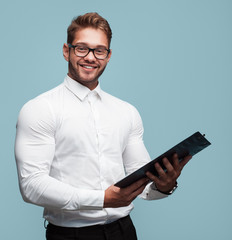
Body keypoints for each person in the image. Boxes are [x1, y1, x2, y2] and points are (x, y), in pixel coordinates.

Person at [14, 12, 191, 240]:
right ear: (66, 51)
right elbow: (32, 185)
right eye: (81, 48)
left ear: (108, 56)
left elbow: (142, 184)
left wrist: (164, 186)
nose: (90, 57)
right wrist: (102, 199)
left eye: (99, 50)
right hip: (70, 236)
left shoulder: (127, 112)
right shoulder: (39, 109)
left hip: (124, 232)